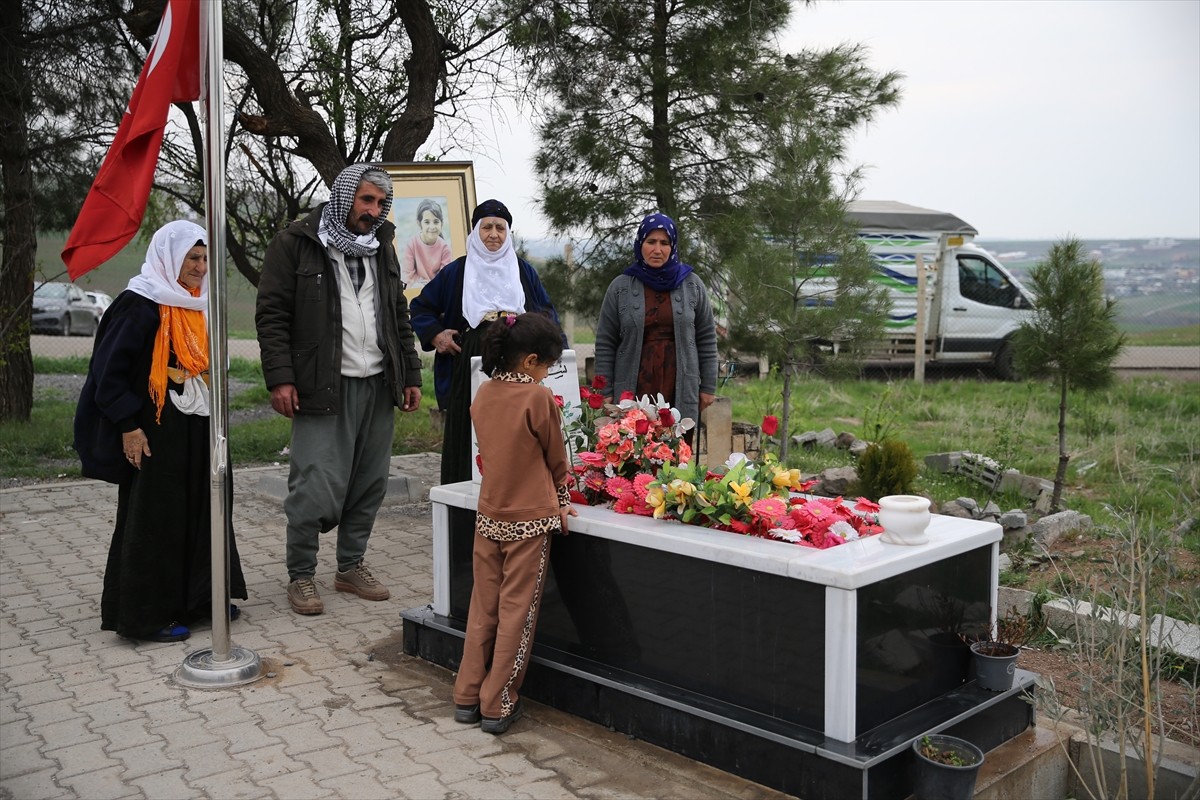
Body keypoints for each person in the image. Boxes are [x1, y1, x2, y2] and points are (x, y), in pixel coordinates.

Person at [256, 163, 423, 616]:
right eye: (365, 200)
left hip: (377, 383)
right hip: (321, 384)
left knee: (369, 483)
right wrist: (281, 378)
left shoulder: (382, 247)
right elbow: (272, 316)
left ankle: (350, 566)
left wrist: (410, 374)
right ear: (345, 195)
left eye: (380, 203)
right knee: (315, 483)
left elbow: (398, 315)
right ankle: (301, 575)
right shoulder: (297, 243)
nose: (373, 211)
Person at [74, 220, 247, 643]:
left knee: (205, 507)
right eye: (192, 257)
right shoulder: (139, 304)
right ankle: (146, 615)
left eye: (205, 258)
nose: (201, 267)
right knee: (158, 517)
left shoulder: (197, 303)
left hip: (196, 427)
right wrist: (128, 427)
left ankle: (202, 598)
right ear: (170, 257)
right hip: (153, 431)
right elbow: (107, 374)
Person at [452, 312, 577, 734]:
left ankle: (467, 695)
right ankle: (498, 703)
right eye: (548, 366)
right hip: (529, 522)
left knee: (482, 608)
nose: (548, 374)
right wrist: (562, 500)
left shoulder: (485, 392)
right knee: (516, 615)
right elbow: (557, 459)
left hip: (489, 516)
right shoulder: (537, 399)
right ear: (530, 362)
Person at [410, 199, 564, 485]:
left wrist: (557, 352)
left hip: (520, 357)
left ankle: (516, 496)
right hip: (471, 357)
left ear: (508, 233)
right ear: (475, 233)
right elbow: (420, 307)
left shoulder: (523, 271)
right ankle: (464, 503)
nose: (494, 234)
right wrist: (436, 334)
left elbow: (546, 312)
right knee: (470, 428)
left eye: (500, 228)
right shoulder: (457, 271)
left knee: (518, 425)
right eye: (487, 227)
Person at [594, 212, 718, 432]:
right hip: (635, 380)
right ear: (640, 244)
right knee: (633, 448)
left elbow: (707, 338)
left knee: (677, 452)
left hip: (679, 382)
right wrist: (605, 390)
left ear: (673, 247)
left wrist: (708, 386)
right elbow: (606, 342)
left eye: (664, 243)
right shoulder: (621, 287)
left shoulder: (692, 285)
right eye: (651, 242)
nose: (657, 249)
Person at [400, 198, 454, 286]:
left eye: (436, 222)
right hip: (417, 289)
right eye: (427, 222)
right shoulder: (412, 244)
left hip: (436, 291)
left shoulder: (445, 248)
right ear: (419, 223)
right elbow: (407, 275)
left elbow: (445, 278)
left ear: (442, 223)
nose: (432, 226)